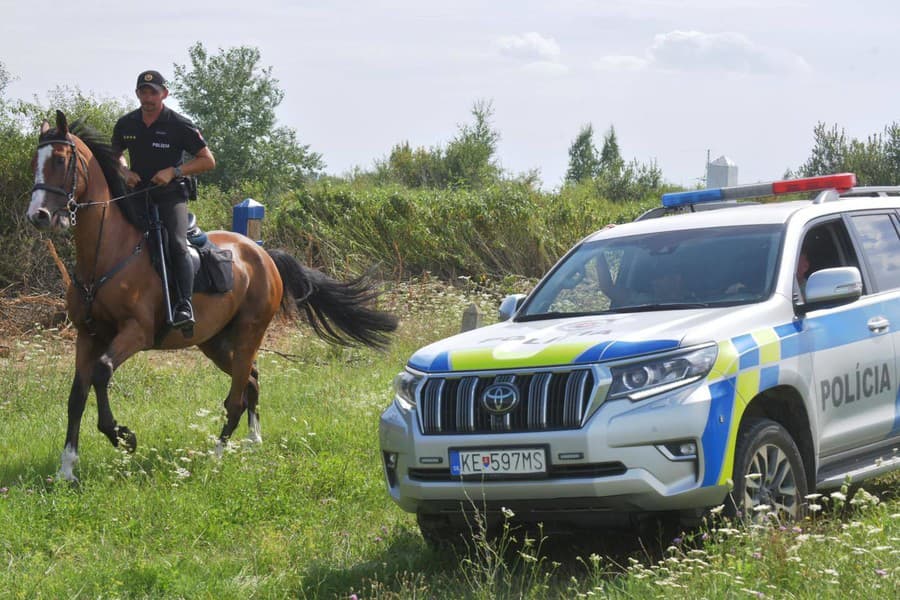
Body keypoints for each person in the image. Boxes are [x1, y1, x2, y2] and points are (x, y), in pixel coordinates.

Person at [111, 70, 216, 330]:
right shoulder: (126, 124)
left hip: (171, 197)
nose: (148, 98)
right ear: (137, 94)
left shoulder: (179, 124)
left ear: (164, 94)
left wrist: (175, 171)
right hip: (137, 196)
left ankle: (184, 304)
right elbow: (114, 155)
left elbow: (208, 161)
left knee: (177, 244)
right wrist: (124, 171)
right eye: (143, 92)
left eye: (153, 92)